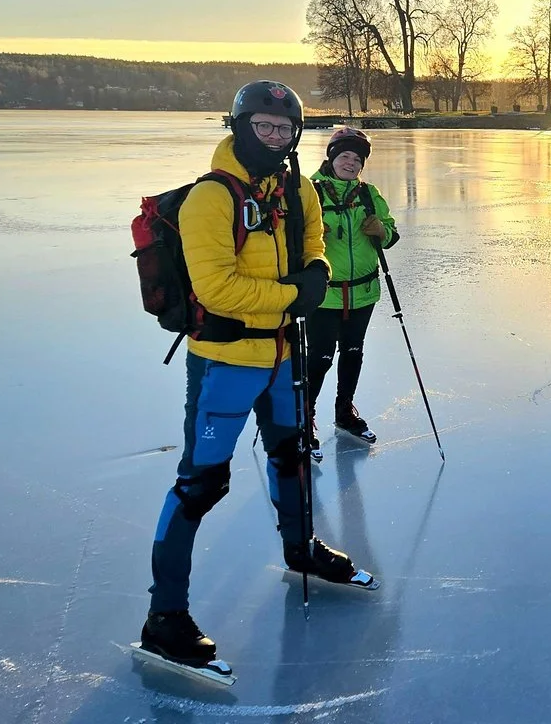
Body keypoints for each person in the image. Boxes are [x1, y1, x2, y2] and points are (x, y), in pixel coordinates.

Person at [140, 81, 371, 672]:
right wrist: (298, 294)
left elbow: (314, 243)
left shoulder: (298, 190)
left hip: (283, 357)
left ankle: (302, 550)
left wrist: (316, 270)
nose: (273, 137)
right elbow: (215, 288)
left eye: (283, 128)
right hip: (225, 363)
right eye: (263, 126)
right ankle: (164, 617)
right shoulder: (210, 199)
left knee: (291, 454)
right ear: (240, 127)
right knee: (200, 484)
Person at [306, 126, 399, 460]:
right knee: (319, 356)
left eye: (356, 159)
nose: (350, 163)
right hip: (323, 293)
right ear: (332, 158)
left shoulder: (368, 194)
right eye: (344, 156)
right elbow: (286, 238)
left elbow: (390, 233)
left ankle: (344, 412)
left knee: (353, 351)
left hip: (363, 291)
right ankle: (306, 416)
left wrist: (381, 230)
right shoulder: (310, 193)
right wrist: (311, 233)